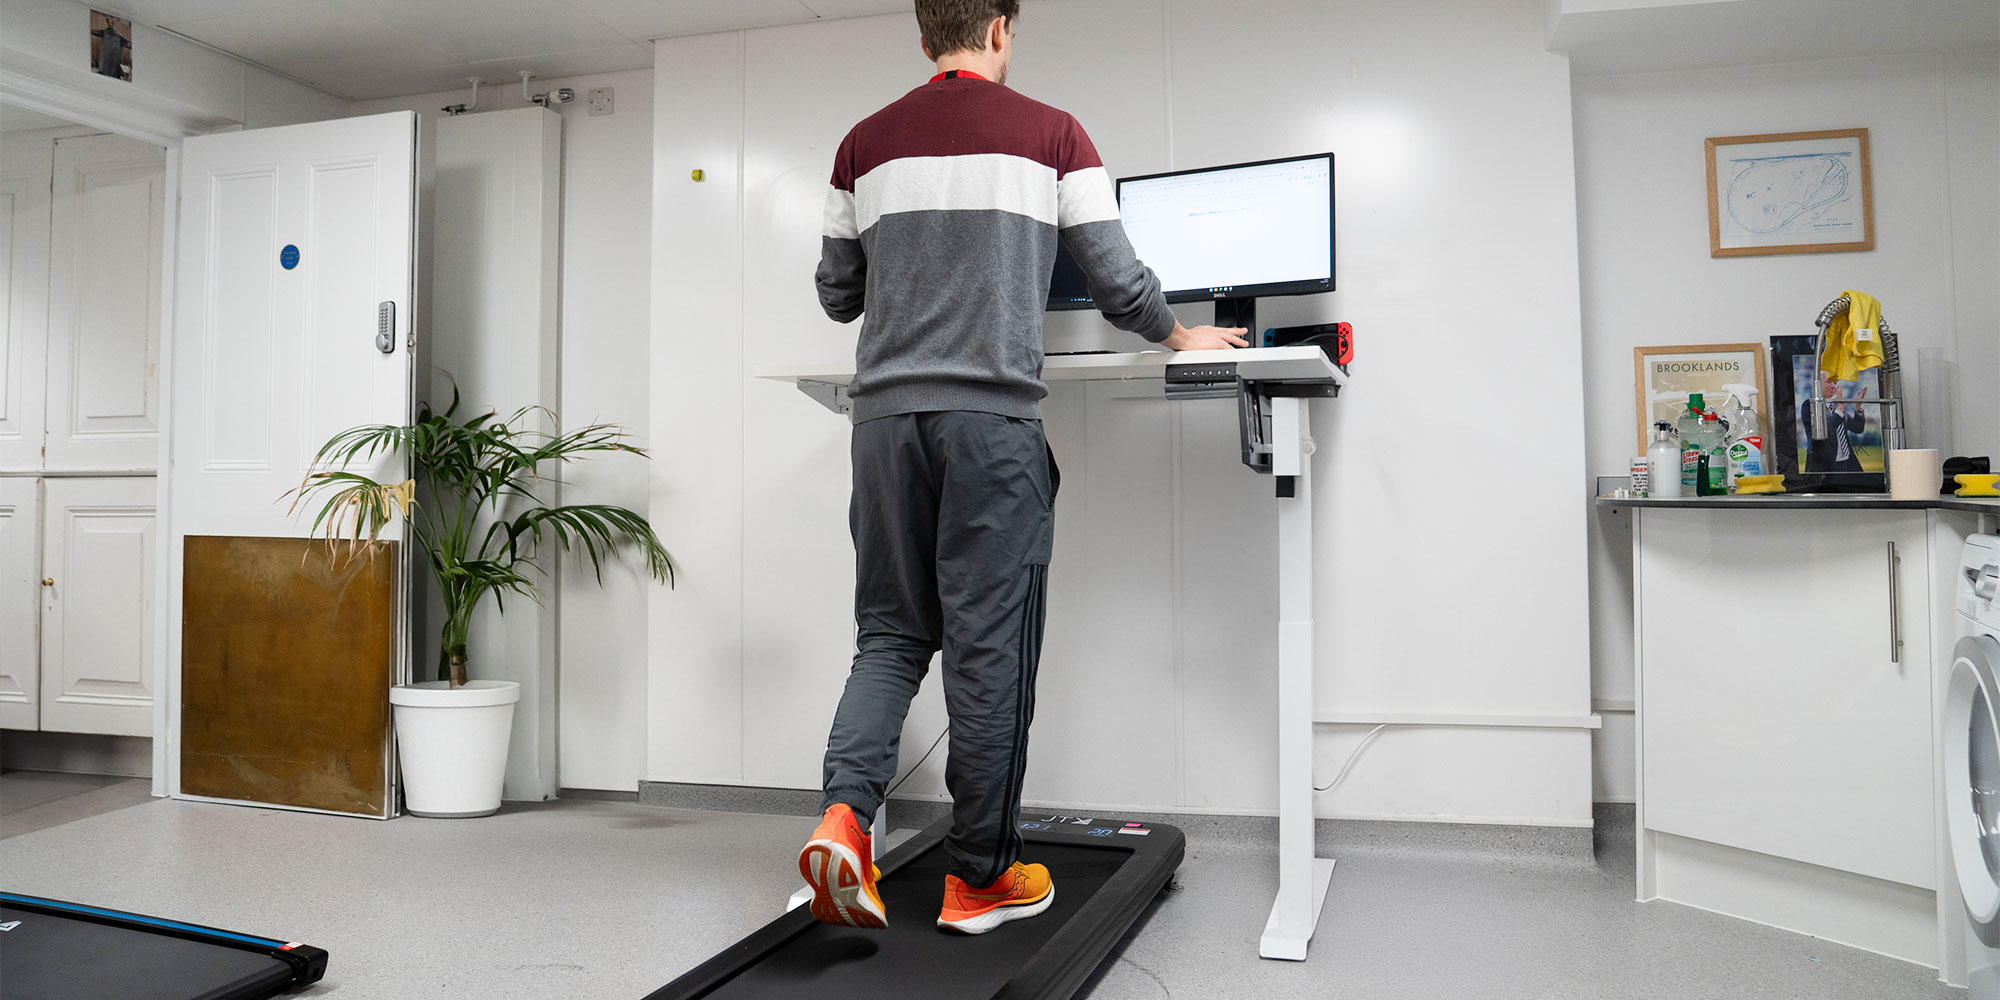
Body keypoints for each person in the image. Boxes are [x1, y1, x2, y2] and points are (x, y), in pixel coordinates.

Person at [798, 0, 1245, 936]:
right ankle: (980, 878)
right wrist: (1178, 334)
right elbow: (1119, 282)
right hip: (990, 426)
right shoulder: (1054, 134)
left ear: (924, 38)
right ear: (1000, 29)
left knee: (888, 637)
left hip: (882, 425)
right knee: (988, 653)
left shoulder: (860, 145)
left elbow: (839, 295)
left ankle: (845, 820)